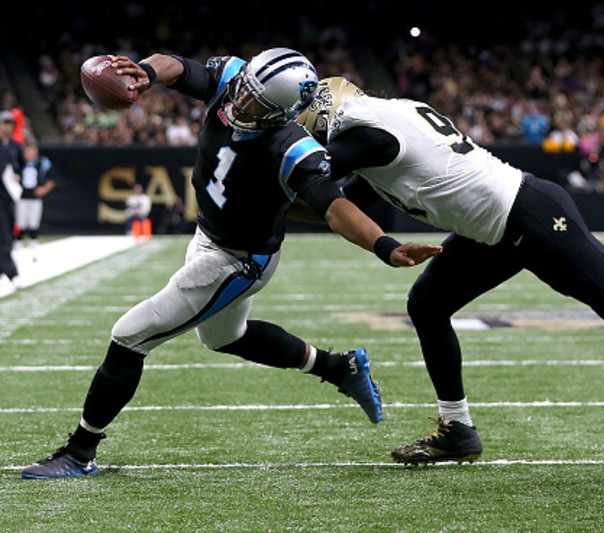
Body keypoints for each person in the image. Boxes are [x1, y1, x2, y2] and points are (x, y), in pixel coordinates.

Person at [299, 77, 604, 465]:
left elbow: (312, 174)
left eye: (311, 127)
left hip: (527, 213)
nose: (311, 137)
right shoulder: (378, 128)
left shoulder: (369, 133)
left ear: (328, 114)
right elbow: (331, 201)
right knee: (427, 303)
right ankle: (457, 429)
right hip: (495, 227)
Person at [20, 50, 441, 479]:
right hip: (208, 236)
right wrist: (146, 73)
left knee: (129, 336)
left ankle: (80, 451)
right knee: (225, 337)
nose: (240, 102)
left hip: (236, 261)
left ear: (283, 113)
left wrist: (384, 245)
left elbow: (333, 207)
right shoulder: (239, 82)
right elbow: (179, 66)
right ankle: (340, 367)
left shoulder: (291, 146)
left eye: (255, 101)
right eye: (245, 90)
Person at [15, 142, 56, 261]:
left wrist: (44, 189)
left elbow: (52, 179)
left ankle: (34, 245)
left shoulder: (43, 163)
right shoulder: (19, 163)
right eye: (27, 151)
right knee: (21, 222)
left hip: (35, 198)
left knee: (34, 222)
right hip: (21, 197)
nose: (30, 153)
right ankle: (18, 245)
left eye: (32, 150)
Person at [0, 110, 24, 291]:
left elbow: (22, 169)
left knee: (7, 234)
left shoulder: (16, 147)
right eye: (4, 123)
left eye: (9, 124)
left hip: (9, 199)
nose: (7, 127)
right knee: (5, 236)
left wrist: (18, 177)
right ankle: (11, 272)